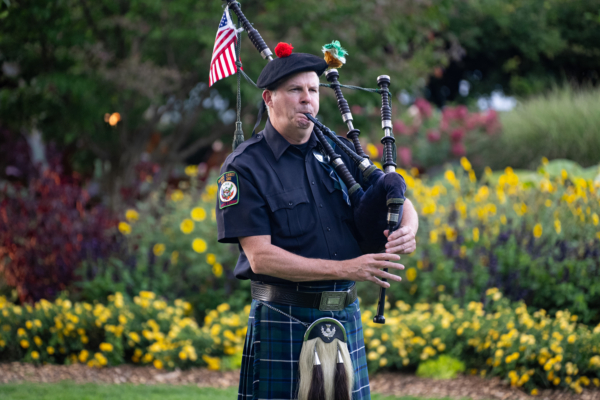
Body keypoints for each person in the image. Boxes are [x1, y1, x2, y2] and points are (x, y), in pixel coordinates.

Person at [216, 45, 419, 400]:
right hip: (285, 316)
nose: (307, 100)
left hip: (345, 317)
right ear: (269, 98)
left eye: (312, 90)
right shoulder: (245, 167)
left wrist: (407, 229)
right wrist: (348, 268)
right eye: (295, 91)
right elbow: (261, 257)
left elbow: (395, 193)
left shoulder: (340, 150)